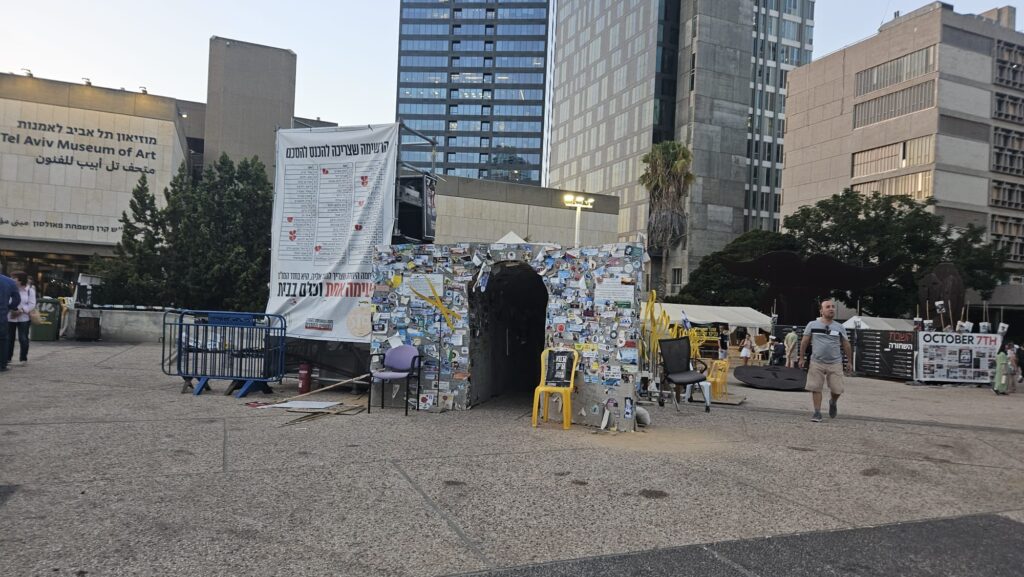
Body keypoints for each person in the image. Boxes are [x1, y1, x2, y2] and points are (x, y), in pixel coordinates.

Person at [798, 299, 852, 422]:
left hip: (835, 362)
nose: (831, 309)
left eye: (833, 306)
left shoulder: (839, 327)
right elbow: (805, 342)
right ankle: (817, 413)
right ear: (821, 311)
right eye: (827, 307)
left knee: (837, 389)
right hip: (817, 362)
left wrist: (849, 361)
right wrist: (801, 358)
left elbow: (846, 344)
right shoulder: (812, 324)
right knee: (816, 388)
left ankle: (833, 402)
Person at [7, 272, 36, 365]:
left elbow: (32, 304)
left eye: (14, 278)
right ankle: (8, 358)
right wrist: (12, 310)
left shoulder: (30, 290)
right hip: (11, 317)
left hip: (24, 317)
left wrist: (21, 310)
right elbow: (6, 300)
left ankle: (23, 358)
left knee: (23, 338)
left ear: (20, 280)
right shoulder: (10, 289)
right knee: (9, 338)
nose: (12, 279)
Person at [0, 266, 21, 372]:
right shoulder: (9, 282)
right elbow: (17, 299)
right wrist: (10, 307)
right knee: (3, 340)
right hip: (2, 315)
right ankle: (2, 365)